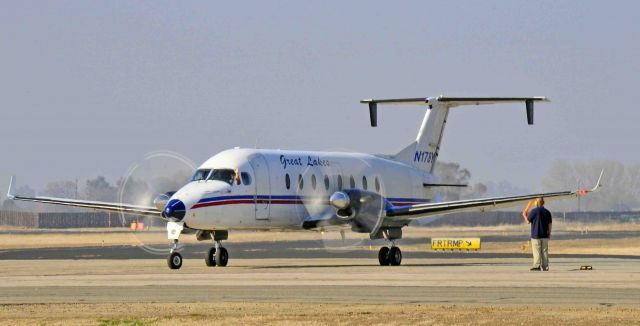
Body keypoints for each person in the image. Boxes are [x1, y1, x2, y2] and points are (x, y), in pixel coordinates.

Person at [525, 197, 552, 271]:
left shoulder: (533, 211)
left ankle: (537, 266)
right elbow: (550, 224)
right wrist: (549, 233)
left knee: (537, 251)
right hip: (545, 235)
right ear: (543, 202)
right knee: (544, 251)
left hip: (535, 235)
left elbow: (527, 221)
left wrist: (524, 215)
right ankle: (545, 267)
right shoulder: (547, 212)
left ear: (536, 203)